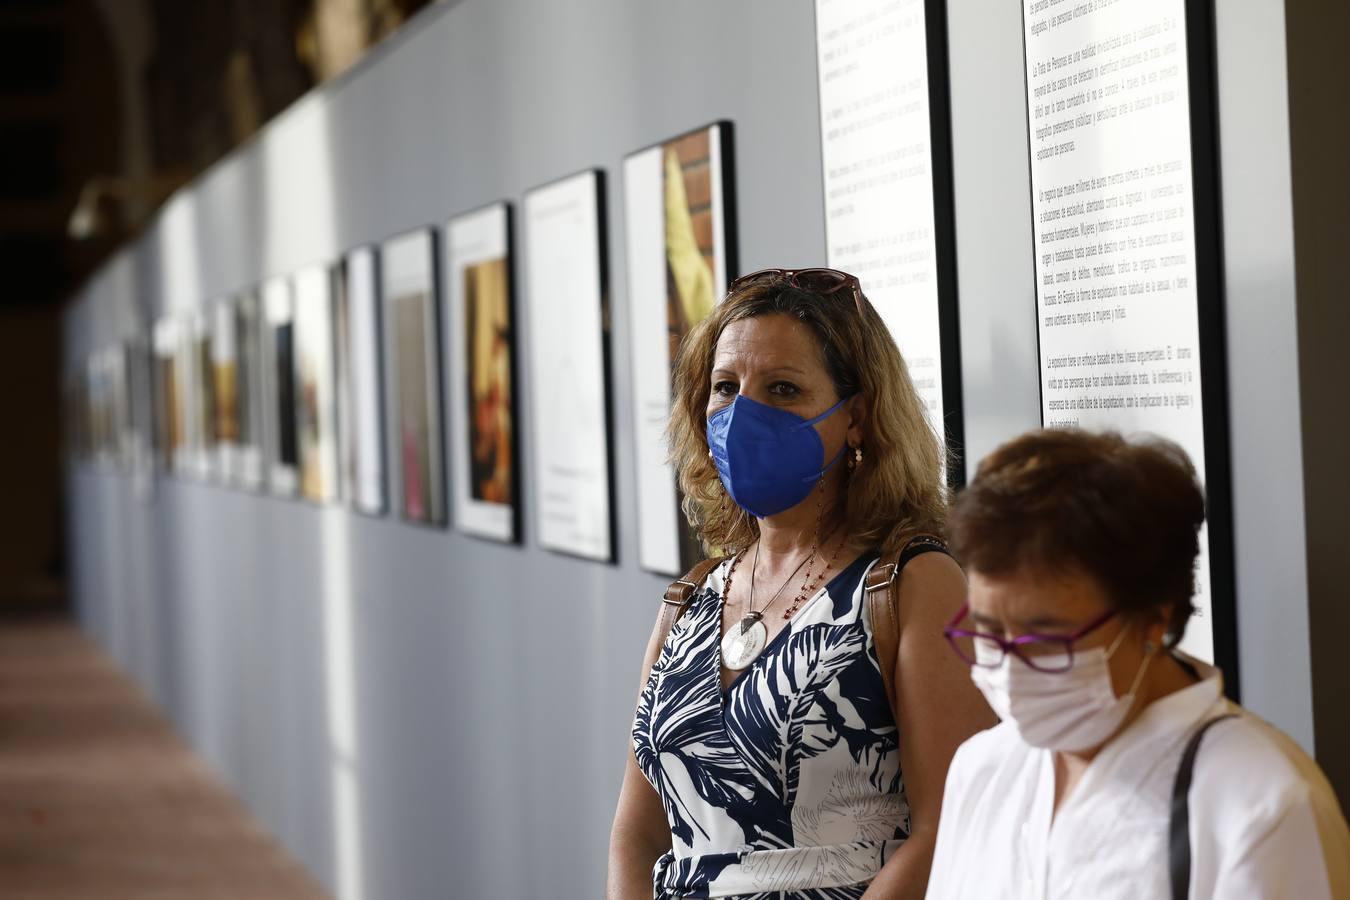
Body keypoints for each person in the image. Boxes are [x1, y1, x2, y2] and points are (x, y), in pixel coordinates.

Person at [607, 268, 995, 899]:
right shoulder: (689, 600)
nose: (744, 414)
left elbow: (950, 826)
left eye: (783, 389)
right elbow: (638, 833)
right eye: (726, 387)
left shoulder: (911, 584)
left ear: (858, 418)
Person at [926, 428, 1350, 899]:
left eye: (1045, 638)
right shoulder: (983, 768)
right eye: (987, 631)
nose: (1009, 667)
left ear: (1153, 617)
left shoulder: (1263, 806)